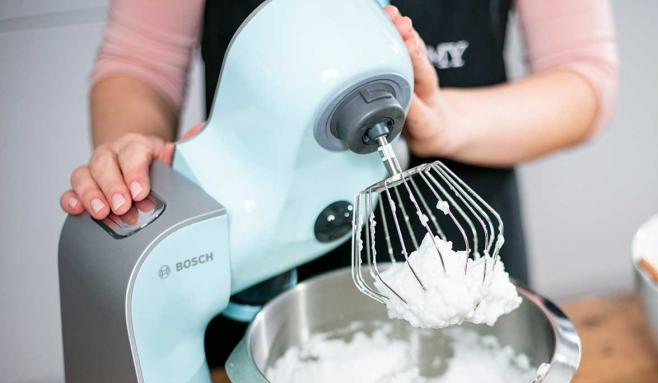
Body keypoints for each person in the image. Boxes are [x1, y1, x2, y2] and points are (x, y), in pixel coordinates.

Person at [59, 0, 618, 363]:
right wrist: (134, 149)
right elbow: (140, 61)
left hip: (460, 254)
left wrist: (441, 123)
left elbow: (584, 82)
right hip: (263, 273)